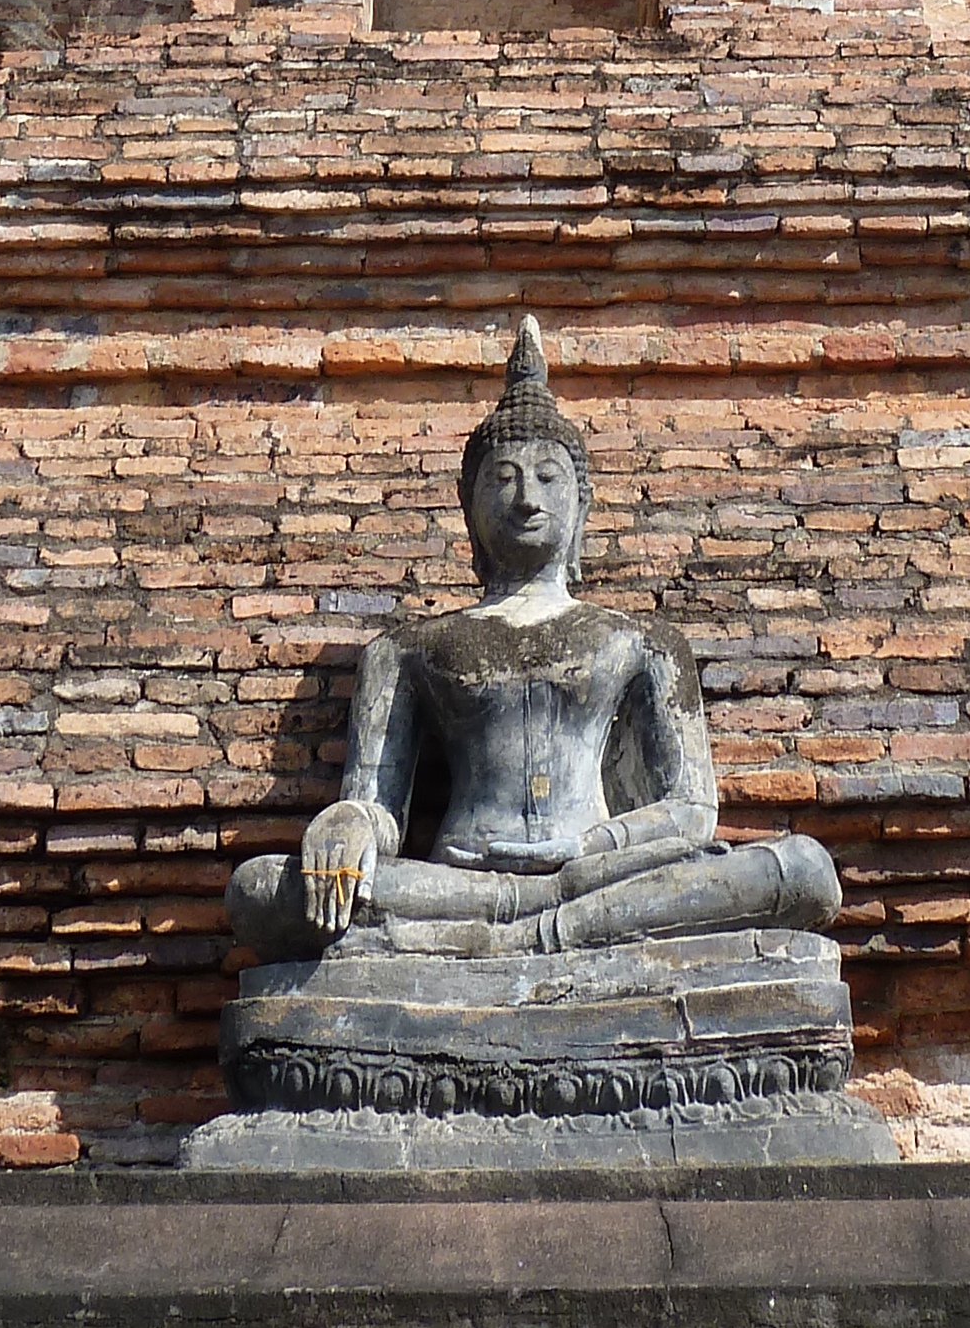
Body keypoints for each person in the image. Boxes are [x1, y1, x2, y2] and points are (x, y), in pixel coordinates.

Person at [227, 319, 836, 962]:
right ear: (469, 505)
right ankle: (533, 933)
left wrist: (588, 849)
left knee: (803, 870)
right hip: (462, 880)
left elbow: (690, 811)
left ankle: (513, 941)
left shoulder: (641, 641)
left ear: (582, 503)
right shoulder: (406, 651)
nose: (526, 499)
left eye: (549, 477)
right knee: (261, 891)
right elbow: (380, 810)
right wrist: (347, 823)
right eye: (504, 478)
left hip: (595, 876)